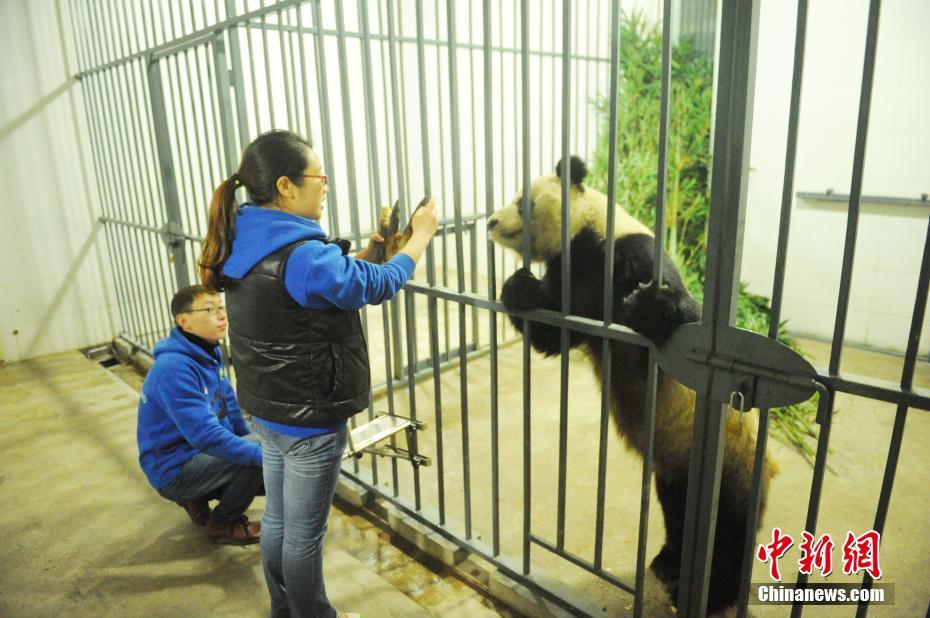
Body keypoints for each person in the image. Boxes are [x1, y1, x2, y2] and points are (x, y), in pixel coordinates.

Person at [199, 129, 438, 618]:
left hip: (267, 407)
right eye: (320, 177)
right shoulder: (305, 254)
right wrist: (421, 238)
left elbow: (319, 289)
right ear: (286, 186)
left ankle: (284, 611)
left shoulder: (243, 233)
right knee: (304, 536)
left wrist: (369, 255)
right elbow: (378, 286)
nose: (325, 187)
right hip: (309, 420)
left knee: (281, 522)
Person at [137, 285, 264, 545]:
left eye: (220, 307)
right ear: (184, 321)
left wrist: (251, 438)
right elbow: (206, 437)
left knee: (256, 446)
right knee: (252, 459)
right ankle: (222, 524)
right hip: (173, 468)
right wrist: (262, 454)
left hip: (193, 454)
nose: (221, 315)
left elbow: (228, 403)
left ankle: (196, 497)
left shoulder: (207, 351)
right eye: (209, 309)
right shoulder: (174, 368)